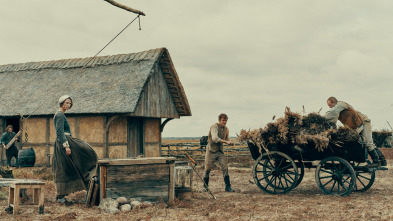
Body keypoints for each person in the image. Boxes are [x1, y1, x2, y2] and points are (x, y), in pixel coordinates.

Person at [52, 95, 98, 203]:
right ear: (61, 103)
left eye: (69, 103)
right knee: (64, 167)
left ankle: (87, 181)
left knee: (74, 163)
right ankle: (61, 197)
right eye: (66, 103)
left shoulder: (62, 115)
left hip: (67, 140)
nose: (68, 105)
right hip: (63, 143)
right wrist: (66, 146)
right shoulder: (59, 115)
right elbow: (59, 133)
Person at [324, 97, 387, 166]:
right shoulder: (338, 109)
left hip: (364, 122)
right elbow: (333, 119)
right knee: (369, 143)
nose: (329, 107)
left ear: (333, 102)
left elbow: (332, 112)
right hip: (358, 124)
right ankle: (383, 161)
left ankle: (376, 162)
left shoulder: (340, 104)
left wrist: (321, 118)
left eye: (329, 105)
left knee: (368, 143)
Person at [203, 113, 235, 192]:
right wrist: (226, 142)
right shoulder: (214, 126)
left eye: (226, 120)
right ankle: (205, 187)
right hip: (211, 150)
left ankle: (228, 187)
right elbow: (215, 138)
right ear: (219, 120)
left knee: (225, 167)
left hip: (220, 151)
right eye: (223, 120)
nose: (225, 122)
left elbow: (228, 138)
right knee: (207, 169)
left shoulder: (226, 129)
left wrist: (230, 142)